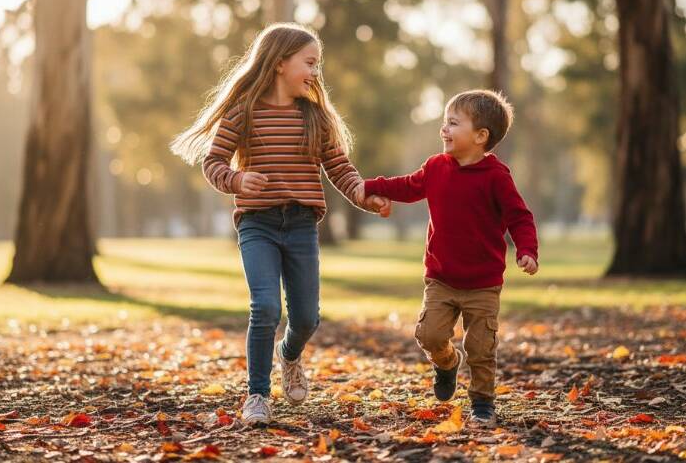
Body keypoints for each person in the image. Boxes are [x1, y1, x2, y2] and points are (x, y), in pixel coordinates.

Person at [170, 22, 388, 425]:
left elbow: (339, 167)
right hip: (258, 223)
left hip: (302, 223)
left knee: (306, 317)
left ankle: (289, 355)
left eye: (317, 64)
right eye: (309, 62)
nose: (315, 72)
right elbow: (213, 162)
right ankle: (256, 395)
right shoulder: (244, 112)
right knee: (265, 307)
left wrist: (362, 194)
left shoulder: (315, 117)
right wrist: (237, 179)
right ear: (279, 63)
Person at [364, 89, 538, 427]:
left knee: (481, 347)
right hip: (441, 278)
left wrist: (527, 251)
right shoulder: (436, 167)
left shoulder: (496, 177)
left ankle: (483, 402)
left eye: (453, 123)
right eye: (445, 122)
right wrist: (370, 185)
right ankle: (446, 363)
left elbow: (520, 217)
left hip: (483, 284)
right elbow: (407, 186)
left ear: (480, 136)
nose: (444, 129)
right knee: (428, 335)